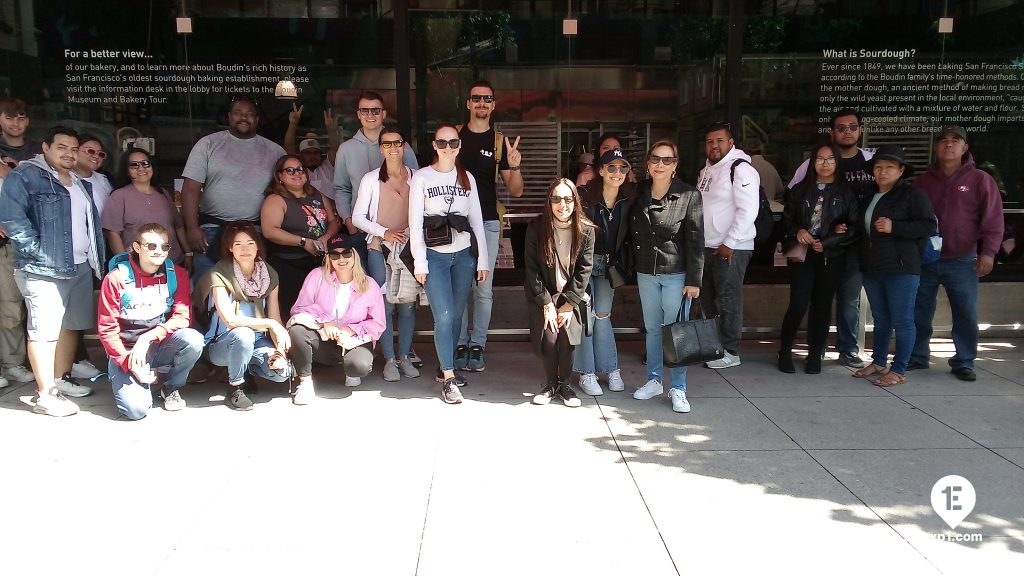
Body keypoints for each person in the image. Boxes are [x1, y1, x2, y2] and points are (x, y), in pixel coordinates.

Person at [0, 126, 106, 415]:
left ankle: (60, 380)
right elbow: (10, 217)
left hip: (80, 264)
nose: (69, 153)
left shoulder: (77, 180)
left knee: (71, 325)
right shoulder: (26, 175)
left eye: (73, 148)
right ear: (45, 147)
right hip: (43, 267)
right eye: (62, 147)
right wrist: (36, 250)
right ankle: (44, 394)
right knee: (44, 332)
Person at [910, 126, 1004, 381]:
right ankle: (917, 355)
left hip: (962, 259)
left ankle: (964, 361)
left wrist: (989, 253)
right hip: (927, 258)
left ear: (965, 148)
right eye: (943, 140)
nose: (948, 145)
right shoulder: (922, 182)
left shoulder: (980, 180)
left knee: (965, 312)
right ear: (936, 147)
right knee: (919, 310)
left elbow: (993, 220)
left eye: (955, 141)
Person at [409, 124, 489, 404]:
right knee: (443, 316)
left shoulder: (467, 177)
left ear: (459, 145)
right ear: (434, 145)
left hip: (464, 254)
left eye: (452, 143)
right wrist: (420, 262)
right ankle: (449, 377)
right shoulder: (421, 177)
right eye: (442, 143)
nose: (447, 148)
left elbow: (477, 221)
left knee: (455, 316)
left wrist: (483, 260)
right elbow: (415, 223)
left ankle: (446, 369)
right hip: (435, 256)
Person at [789, 109, 875, 368]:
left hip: (855, 242)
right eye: (841, 128)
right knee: (817, 300)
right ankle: (818, 348)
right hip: (819, 247)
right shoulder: (810, 164)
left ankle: (848, 348)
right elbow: (794, 197)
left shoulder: (872, 162)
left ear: (860, 129)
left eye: (852, 127)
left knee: (849, 298)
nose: (847, 132)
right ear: (832, 132)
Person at [97, 224, 204, 419]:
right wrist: (129, 363)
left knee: (193, 339)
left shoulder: (176, 274)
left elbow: (182, 317)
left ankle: (171, 386)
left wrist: (147, 338)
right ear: (137, 247)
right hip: (127, 350)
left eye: (164, 247)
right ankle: (139, 378)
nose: (159, 251)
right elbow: (107, 329)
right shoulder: (116, 278)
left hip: (157, 344)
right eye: (151, 246)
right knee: (136, 411)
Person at [454, 79, 524, 372]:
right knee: (459, 287)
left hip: (487, 221)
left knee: (483, 288)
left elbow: (516, 190)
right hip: (455, 223)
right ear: (468, 103)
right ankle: (459, 344)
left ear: (493, 105)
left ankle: (477, 344)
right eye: (476, 98)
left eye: (487, 99)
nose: (481, 103)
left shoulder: (498, 142)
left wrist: (514, 164)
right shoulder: (453, 137)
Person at [630, 140, 705, 413]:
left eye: (667, 160)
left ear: (675, 165)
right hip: (645, 271)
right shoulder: (638, 191)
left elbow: (696, 241)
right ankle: (653, 380)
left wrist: (694, 280)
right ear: (648, 163)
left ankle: (678, 387)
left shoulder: (688, 195)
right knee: (652, 329)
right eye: (655, 159)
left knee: (677, 332)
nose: (660, 165)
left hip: (676, 273)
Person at [852, 145, 935, 387]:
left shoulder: (912, 195)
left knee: (902, 320)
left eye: (889, 167)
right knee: (880, 318)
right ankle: (878, 361)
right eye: (878, 167)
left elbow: (928, 226)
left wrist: (895, 227)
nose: (883, 172)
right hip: (873, 266)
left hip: (901, 268)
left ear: (901, 170)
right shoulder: (869, 194)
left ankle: (899, 369)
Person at [181, 95, 285, 279]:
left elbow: (286, 191)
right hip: (212, 230)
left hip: (255, 231)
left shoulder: (274, 151)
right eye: (238, 113)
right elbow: (190, 188)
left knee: (253, 291)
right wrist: (191, 228)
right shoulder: (208, 144)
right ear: (229, 116)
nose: (243, 117)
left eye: (249, 113)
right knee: (208, 289)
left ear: (257, 119)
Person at [778, 143, 859, 374]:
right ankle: (785, 351)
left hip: (831, 255)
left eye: (830, 159)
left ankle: (815, 354)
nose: (825, 164)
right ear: (812, 162)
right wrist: (798, 231)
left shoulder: (846, 192)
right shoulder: (800, 190)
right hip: (803, 256)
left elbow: (854, 228)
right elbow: (786, 220)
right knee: (799, 304)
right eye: (820, 159)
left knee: (823, 307)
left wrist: (829, 241)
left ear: (837, 162)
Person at [194, 223, 293, 410]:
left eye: (250, 243)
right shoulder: (220, 272)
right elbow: (230, 320)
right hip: (224, 341)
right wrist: (270, 323)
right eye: (238, 244)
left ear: (258, 246)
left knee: (282, 373)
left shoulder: (269, 274)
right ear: (230, 248)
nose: (245, 249)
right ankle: (236, 388)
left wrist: (280, 352)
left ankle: (247, 369)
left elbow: (275, 318)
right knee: (243, 335)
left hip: (257, 341)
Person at [352, 127, 419, 382]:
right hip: (379, 248)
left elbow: (423, 212)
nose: (393, 148)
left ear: (404, 147)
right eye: (387, 144)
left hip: (409, 250)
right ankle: (389, 359)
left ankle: (404, 356)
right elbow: (358, 218)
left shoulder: (416, 177)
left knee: (408, 306)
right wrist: (384, 232)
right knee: (385, 305)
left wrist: (410, 233)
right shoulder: (371, 179)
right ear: (381, 149)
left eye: (397, 143)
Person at [288, 234, 385, 400]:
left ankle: (350, 369)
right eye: (335, 255)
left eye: (346, 253)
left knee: (358, 366)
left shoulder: (369, 284)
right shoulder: (317, 276)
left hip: (353, 340)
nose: (342, 259)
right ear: (329, 259)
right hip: (324, 338)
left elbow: (378, 323)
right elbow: (299, 308)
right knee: (297, 331)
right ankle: (305, 382)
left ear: (354, 254)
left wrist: (350, 330)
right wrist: (325, 321)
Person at [525, 178, 595, 407]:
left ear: (575, 201)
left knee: (566, 336)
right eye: (556, 199)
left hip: (569, 295)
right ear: (549, 201)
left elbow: (584, 270)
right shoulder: (537, 227)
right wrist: (546, 303)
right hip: (543, 292)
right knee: (549, 335)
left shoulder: (586, 230)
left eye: (567, 198)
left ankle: (565, 385)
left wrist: (568, 305)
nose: (562, 204)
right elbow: (531, 268)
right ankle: (550, 385)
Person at [696, 122, 759, 369]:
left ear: (731, 142)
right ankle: (712, 347)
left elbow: (748, 210)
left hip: (732, 247)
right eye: (710, 141)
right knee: (707, 300)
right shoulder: (707, 170)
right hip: (708, 246)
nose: (714, 145)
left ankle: (730, 351)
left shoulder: (741, 169)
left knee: (729, 299)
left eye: (720, 140)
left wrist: (730, 243)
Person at [572, 149, 633, 396]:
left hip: (610, 266)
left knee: (603, 316)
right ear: (600, 170)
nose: (617, 173)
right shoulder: (585, 197)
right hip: (586, 263)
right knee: (585, 315)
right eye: (611, 168)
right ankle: (587, 372)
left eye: (622, 168)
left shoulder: (629, 199)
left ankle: (610, 368)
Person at [333, 91, 419, 264]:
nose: (370, 115)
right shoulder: (345, 149)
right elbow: (341, 188)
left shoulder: (403, 147)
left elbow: (417, 186)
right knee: (365, 285)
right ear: (358, 114)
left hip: (397, 233)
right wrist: (349, 221)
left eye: (375, 110)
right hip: (359, 229)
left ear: (384, 114)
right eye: (365, 110)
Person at [259, 154, 340, 319]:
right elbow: (270, 231)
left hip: (318, 263)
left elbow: (333, 220)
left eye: (300, 169)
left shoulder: (316, 194)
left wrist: (327, 236)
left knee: (320, 309)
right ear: (280, 176)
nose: (297, 173)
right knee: (291, 309)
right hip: (288, 265)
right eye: (290, 170)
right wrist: (303, 242)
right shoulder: (276, 199)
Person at [0, 97, 40, 389]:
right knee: (10, 307)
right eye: (9, 117)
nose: (15, 123)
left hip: (35, 237)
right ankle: (12, 363)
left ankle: (31, 361)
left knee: (34, 305)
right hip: (5, 242)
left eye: (21, 117)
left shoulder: (39, 151)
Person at [103, 148, 190, 267]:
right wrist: (125, 264)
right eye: (134, 165)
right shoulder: (118, 196)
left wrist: (188, 253)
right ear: (127, 171)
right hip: (138, 266)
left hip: (172, 264)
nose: (141, 168)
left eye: (145, 163)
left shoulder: (163, 193)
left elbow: (178, 225)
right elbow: (113, 233)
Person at [283, 104, 340, 198]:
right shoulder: (298, 171)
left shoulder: (327, 167)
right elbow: (289, 148)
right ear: (301, 156)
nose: (312, 156)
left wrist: (331, 130)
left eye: (316, 153)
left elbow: (335, 148)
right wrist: (293, 124)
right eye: (308, 153)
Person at [739, 137, 785, 207]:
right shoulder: (770, 167)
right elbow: (780, 190)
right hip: (769, 208)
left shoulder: (746, 167)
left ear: (745, 151)